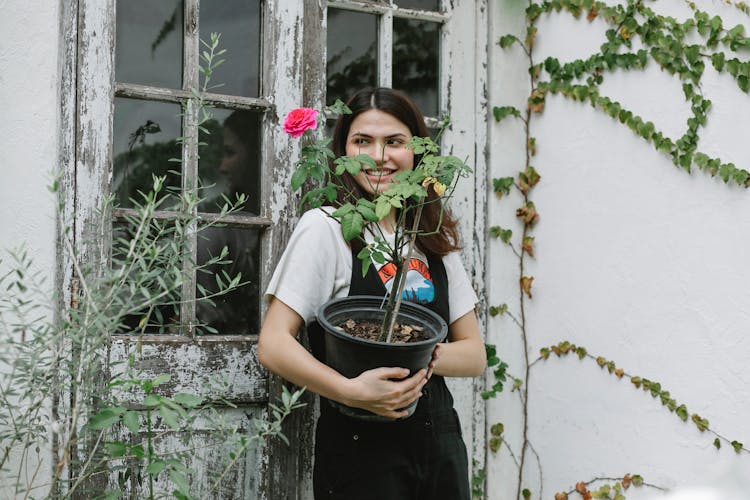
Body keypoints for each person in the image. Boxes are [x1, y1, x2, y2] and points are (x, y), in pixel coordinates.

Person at [258, 87, 486, 500]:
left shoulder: (427, 233)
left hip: (440, 442)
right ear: (343, 150)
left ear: (417, 151)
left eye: (394, 142)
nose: (378, 157)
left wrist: (415, 355)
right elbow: (273, 344)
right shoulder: (328, 227)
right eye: (362, 141)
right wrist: (350, 391)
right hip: (361, 448)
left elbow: (474, 354)